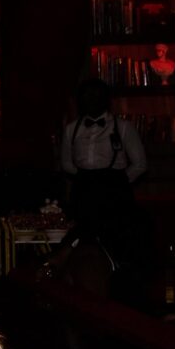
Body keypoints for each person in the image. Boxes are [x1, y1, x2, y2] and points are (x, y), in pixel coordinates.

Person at [59, 76, 147, 268]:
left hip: (115, 193)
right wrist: (86, 176)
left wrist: (118, 180)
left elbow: (140, 164)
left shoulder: (123, 127)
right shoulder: (71, 129)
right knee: (81, 241)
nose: (92, 100)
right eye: (87, 96)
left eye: (96, 95)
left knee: (118, 242)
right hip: (84, 191)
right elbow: (66, 162)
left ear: (106, 99)